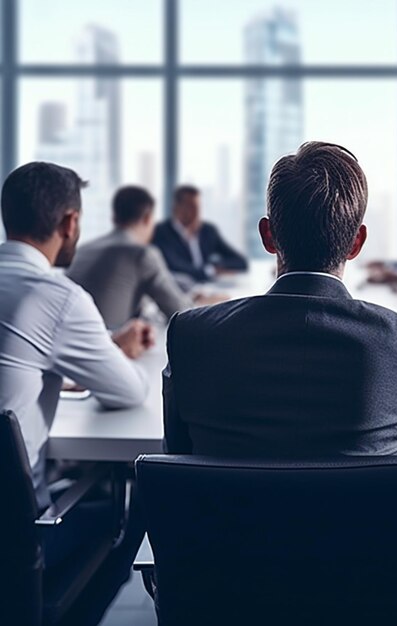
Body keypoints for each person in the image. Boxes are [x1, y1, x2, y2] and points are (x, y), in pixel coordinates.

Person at [162, 141, 397, 460]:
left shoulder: (190, 336)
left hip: (231, 511)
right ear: (357, 243)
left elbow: (177, 468)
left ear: (268, 236)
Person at [0, 162, 150, 622]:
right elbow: (129, 391)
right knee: (132, 508)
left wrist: (89, 352)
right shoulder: (58, 295)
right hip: (19, 538)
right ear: (69, 222)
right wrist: (113, 353)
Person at [68, 185, 225, 329]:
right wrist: (207, 305)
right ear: (147, 219)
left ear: (114, 217)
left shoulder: (84, 249)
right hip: (109, 348)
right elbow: (183, 315)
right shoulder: (142, 254)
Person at [152, 185, 247, 288]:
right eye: (191, 207)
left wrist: (215, 265)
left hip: (210, 290)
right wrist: (211, 270)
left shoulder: (208, 231)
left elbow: (241, 262)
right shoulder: (161, 232)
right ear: (176, 208)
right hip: (179, 291)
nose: (196, 212)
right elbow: (175, 266)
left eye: (198, 207)